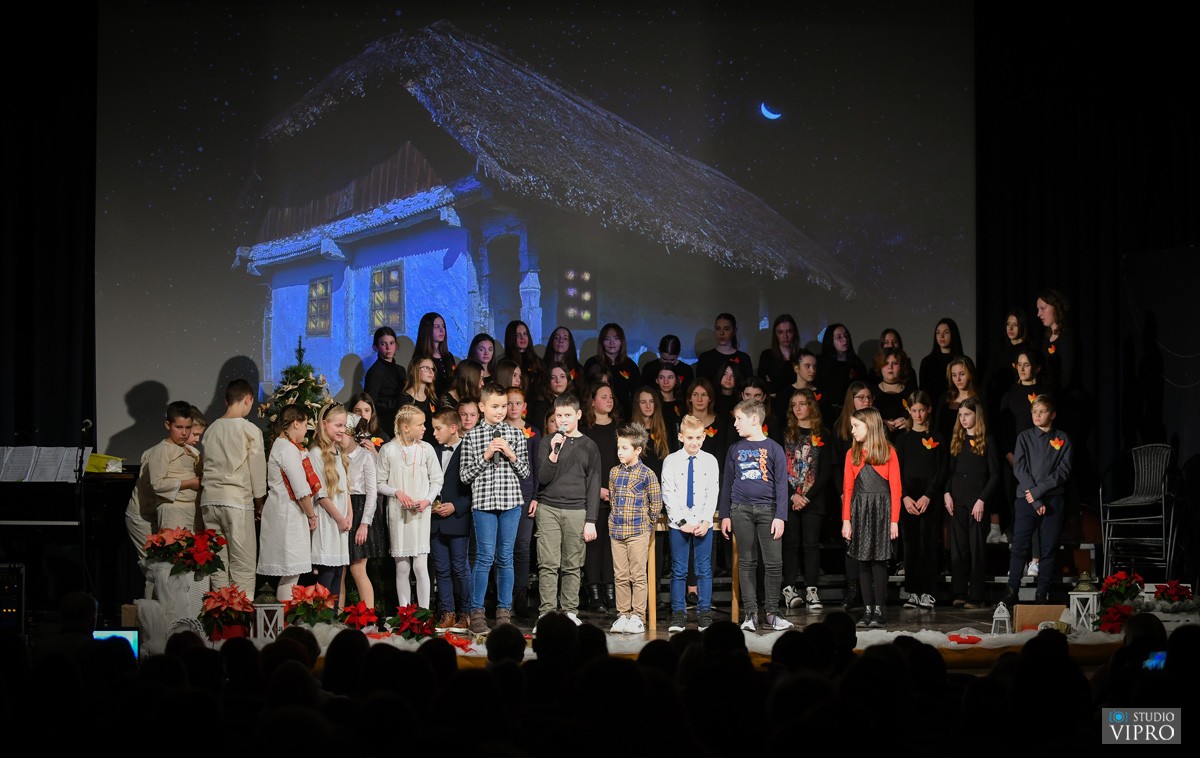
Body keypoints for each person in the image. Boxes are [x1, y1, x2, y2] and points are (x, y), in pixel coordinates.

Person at [459, 382, 531, 633]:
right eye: (495, 406)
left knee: (505, 557)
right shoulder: (471, 437)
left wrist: (511, 454)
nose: (500, 411)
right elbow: (465, 476)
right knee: (484, 557)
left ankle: (503, 611)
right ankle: (477, 611)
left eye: (504, 406)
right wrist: (486, 455)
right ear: (482, 406)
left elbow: (525, 472)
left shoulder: (516, 434)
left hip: (511, 503)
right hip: (484, 505)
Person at [718, 398, 793, 633]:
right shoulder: (735, 449)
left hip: (769, 511)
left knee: (773, 563)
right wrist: (725, 514)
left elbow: (782, 485)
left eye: (739, 419)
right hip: (741, 510)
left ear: (754, 419)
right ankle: (750, 613)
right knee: (747, 562)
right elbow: (727, 483)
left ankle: (772, 611)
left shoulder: (774, 448)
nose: (735, 424)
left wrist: (781, 515)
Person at [532, 392, 601, 625]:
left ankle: (570, 611)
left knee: (573, 564)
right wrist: (553, 451)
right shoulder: (547, 442)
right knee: (548, 563)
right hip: (549, 507)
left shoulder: (589, 446)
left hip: (576, 510)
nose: (563, 420)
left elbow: (593, 484)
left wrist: (590, 519)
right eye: (559, 415)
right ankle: (547, 612)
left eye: (567, 415)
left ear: (578, 415)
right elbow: (542, 477)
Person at [999, 395, 1073, 607]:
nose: (1037, 416)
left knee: (1049, 547)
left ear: (1052, 414)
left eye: (1042, 412)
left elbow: (1063, 471)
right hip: (1026, 500)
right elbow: (1019, 468)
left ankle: (1042, 592)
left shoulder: (1063, 439)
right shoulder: (1024, 437)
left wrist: (1039, 492)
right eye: (1034, 412)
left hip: (1052, 500)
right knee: (1019, 547)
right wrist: (1034, 498)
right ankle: (1012, 590)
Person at [200, 378, 267, 592]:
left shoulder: (210, 430)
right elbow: (257, 471)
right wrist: (260, 502)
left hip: (209, 500)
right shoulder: (249, 430)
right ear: (248, 400)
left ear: (226, 400)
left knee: (218, 565)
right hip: (236, 501)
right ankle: (240, 622)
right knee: (243, 566)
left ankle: (219, 618)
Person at [840, 407, 902, 628]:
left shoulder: (888, 452)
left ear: (871, 426)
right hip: (860, 510)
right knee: (863, 560)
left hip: (882, 511)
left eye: (857, 426)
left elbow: (896, 489)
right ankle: (867, 609)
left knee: (879, 560)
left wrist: (894, 520)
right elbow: (847, 489)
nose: (853, 430)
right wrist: (846, 520)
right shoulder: (852, 454)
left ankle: (880, 609)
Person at [377, 404, 443, 609]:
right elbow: (379, 482)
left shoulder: (426, 449)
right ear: (406, 427)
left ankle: (423, 613)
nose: (425, 428)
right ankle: (405, 613)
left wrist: (427, 500)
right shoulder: (388, 450)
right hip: (398, 514)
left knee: (421, 566)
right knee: (402, 566)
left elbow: (437, 480)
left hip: (420, 514)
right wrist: (396, 492)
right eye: (420, 424)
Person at [662, 414, 719, 633]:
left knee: (704, 569)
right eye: (689, 438)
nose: (693, 442)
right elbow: (669, 493)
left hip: (703, 522)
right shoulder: (671, 460)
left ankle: (704, 613)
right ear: (681, 437)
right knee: (679, 570)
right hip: (679, 524)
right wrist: (681, 521)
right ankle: (678, 614)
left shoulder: (710, 460)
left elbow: (712, 492)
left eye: (697, 437)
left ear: (703, 437)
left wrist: (706, 521)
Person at [257, 404, 319, 601]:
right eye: (304, 425)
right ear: (295, 423)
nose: (306, 430)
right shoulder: (287, 449)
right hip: (287, 515)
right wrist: (311, 514)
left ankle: (285, 621)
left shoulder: (283, 446)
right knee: (291, 572)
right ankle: (284, 623)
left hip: (285, 513)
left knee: (290, 572)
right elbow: (301, 489)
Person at [606, 422, 663, 635]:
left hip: (638, 531)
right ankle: (623, 614)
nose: (620, 452)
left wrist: (647, 525)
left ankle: (638, 616)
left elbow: (656, 504)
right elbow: (613, 499)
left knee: (637, 575)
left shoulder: (647, 474)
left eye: (625, 448)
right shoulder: (614, 472)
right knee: (620, 575)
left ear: (637, 450)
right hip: (617, 531)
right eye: (619, 447)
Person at [780, 388, 834, 612]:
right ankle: (790, 588)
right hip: (790, 498)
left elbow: (826, 471)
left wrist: (807, 496)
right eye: (795, 404)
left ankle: (812, 589)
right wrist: (793, 494)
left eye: (803, 403)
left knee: (811, 545)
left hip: (813, 499)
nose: (799, 408)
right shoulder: (785, 434)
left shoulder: (824, 434)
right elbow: (779, 468)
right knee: (791, 544)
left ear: (811, 405)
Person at [943, 397, 999, 609]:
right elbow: (950, 471)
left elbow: (995, 474)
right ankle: (959, 591)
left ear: (977, 415)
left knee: (977, 547)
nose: (963, 419)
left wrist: (982, 499)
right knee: (959, 547)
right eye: (961, 415)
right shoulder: (957, 439)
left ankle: (976, 594)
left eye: (967, 414)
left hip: (977, 500)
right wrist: (947, 493)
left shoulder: (988, 440)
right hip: (957, 498)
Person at [894, 391, 948, 611]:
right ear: (909, 411)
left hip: (929, 497)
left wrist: (928, 495)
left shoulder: (937, 437)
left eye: (921, 410)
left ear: (929, 410)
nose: (917, 414)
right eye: (914, 410)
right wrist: (905, 496)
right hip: (909, 498)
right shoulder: (904, 438)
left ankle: (928, 592)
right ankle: (913, 592)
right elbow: (897, 470)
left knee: (928, 545)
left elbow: (941, 470)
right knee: (911, 546)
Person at [995, 349, 1049, 551]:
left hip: (1039, 459)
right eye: (1019, 364)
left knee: (1036, 499)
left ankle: (1035, 550)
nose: (1023, 369)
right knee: (1013, 497)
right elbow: (1003, 429)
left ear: (1036, 367)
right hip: (1014, 457)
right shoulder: (1009, 395)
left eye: (1027, 364)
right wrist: (1011, 456)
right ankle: (1014, 535)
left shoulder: (1044, 394)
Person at [429, 408, 473, 634]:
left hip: (458, 519)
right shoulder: (432, 451)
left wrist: (457, 506)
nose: (434, 432)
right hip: (435, 519)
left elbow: (474, 488)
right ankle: (448, 612)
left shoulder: (469, 449)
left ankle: (466, 613)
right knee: (442, 569)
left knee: (460, 567)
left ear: (453, 428)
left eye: (438, 428)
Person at [831, 381, 873, 610]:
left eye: (868, 398)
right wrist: (841, 493)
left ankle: (871, 591)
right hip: (850, 492)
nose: (865, 401)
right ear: (851, 400)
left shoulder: (876, 429)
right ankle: (853, 589)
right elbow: (837, 466)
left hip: (872, 493)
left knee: (871, 541)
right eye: (860, 398)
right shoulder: (842, 428)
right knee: (851, 541)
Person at [582, 381, 620, 613]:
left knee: (611, 545)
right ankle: (593, 591)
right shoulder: (586, 431)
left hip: (616, 496)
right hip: (592, 495)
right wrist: (596, 489)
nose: (609, 400)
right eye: (604, 396)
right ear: (593, 401)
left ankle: (610, 589)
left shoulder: (619, 428)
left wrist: (615, 489)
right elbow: (581, 467)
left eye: (611, 397)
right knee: (593, 543)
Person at [308, 401, 352, 596]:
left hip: (341, 522)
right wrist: (339, 518)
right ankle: (321, 622)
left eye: (344, 425)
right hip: (328, 520)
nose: (342, 430)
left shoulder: (339, 452)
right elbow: (321, 494)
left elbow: (345, 489)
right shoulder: (316, 454)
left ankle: (333, 623)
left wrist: (349, 514)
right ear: (324, 424)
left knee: (338, 573)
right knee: (327, 574)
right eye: (338, 425)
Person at [504, 387, 540, 618]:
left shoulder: (532, 432)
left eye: (518, 403)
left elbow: (537, 467)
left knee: (522, 548)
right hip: (504, 494)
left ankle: (521, 598)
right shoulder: (499, 430)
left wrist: (535, 496)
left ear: (524, 406)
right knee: (504, 548)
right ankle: (503, 600)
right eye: (510, 403)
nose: (514, 407)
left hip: (526, 495)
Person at [343, 406, 383, 612]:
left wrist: (364, 523)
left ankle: (368, 618)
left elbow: (372, 493)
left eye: (343, 432)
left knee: (358, 567)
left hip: (361, 511)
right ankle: (336, 618)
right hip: (342, 508)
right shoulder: (335, 456)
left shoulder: (365, 456)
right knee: (339, 569)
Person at [147, 400, 202, 531]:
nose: (184, 433)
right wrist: (190, 483)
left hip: (193, 508)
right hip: (173, 509)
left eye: (188, 428)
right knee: (177, 549)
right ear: (168, 425)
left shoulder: (192, 450)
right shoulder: (162, 450)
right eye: (179, 427)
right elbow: (157, 484)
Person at [583, 322, 640, 414]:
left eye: (616, 339)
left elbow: (636, 395)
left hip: (625, 415)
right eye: (607, 339)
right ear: (602, 342)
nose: (611, 343)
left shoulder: (631, 366)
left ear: (622, 341)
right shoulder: (592, 363)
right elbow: (586, 392)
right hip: (597, 414)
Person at [816, 323, 867, 422]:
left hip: (851, 412)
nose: (844, 340)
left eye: (846, 336)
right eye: (839, 337)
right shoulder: (822, 363)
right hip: (827, 413)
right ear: (830, 341)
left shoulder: (856, 363)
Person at [364, 326, 407, 434]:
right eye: (383, 344)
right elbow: (371, 404)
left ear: (396, 345)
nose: (388, 348)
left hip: (402, 422)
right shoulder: (375, 372)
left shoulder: (401, 370)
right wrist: (397, 402)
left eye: (391, 343)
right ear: (376, 347)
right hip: (385, 425)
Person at [696, 312, 754, 388]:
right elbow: (699, 387)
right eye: (718, 329)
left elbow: (749, 387)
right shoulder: (705, 358)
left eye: (726, 329)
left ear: (734, 331)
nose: (721, 333)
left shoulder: (744, 358)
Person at [873, 347, 915, 442]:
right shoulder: (872, 393)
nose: (890, 367)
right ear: (880, 366)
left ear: (902, 366)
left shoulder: (910, 393)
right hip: (879, 443)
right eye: (886, 363)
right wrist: (881, 423)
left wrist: (909, 423)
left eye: (895, 363)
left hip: (905, 442)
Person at [918, 318, 964, 404]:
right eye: (938, 333)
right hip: (932, 410)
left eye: (946, 332)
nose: (941, 336)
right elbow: (923, 392)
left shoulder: (962, 361)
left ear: (953, 334)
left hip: (957, 408)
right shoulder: (927, 362)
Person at [630, 385, 673, 477]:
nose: (648, 406)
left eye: (651, 401)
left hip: (661, 485)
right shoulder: (631, 432)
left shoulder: (663, 430)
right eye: (643, 402)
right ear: (637, 405)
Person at [757, 313, 800, 404]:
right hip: (774, 406)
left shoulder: (802, 355)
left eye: (789, 331)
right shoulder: (767, 356)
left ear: (794, 332)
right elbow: (762, 386)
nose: (785, 336)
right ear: (775, 334)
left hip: (798, 405)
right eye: (780, 332)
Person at [414, 312, 457, 397]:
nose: (442, 330)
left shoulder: (448, 356)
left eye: (443, 326)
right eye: (437, 327)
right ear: (427, 330)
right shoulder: (421, 359)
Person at [399, 355, 440, 444]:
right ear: (415, 370)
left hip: (432, 445)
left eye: (432, 369)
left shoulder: (431, 397)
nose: (431, 372)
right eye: (426, 368)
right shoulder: (405, 399)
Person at [504, 319, 545, 393]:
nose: (522, 337)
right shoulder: (505, 363)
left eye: (525, 334)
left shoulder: (538, 362)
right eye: (517, 335)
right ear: (511, 337)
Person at [541, 325, 584, 393]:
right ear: (552, 342)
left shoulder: (577, 369)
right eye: (557, 337)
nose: (560, 341)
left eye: (565, 338)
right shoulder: (542, 367)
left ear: (570, 343)